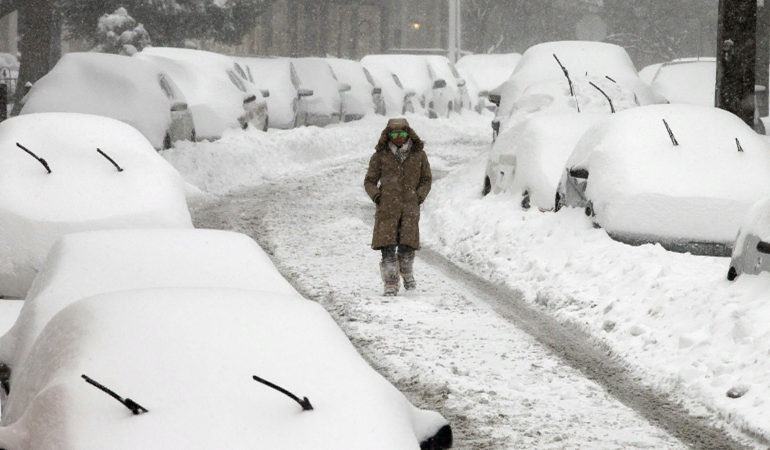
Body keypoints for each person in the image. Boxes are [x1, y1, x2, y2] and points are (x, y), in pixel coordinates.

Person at [364, 118, 432, 296]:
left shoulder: (419, 155)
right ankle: (391, 283)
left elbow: (426, 179)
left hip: (409, 209)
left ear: (408, 134)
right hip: (387, 210)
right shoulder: (380, 156)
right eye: (394, 134)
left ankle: (407, 271)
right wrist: (377, 196)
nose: (399, 137)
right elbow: (370, 181)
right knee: (387, 249)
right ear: (388, 135)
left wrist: (419, 196)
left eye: (402, 133)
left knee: (407, 248)